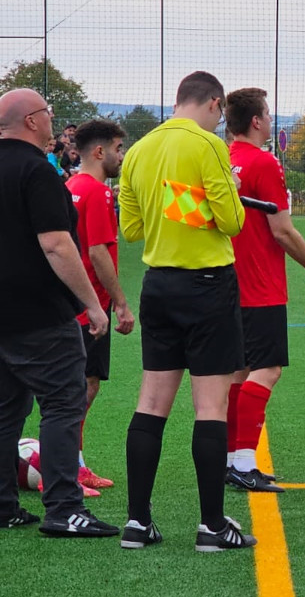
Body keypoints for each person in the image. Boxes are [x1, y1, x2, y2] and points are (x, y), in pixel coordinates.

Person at [117, 71, 256, 551]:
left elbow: (132, 229)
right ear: (214, 104)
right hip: (207, 285)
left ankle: (137, 523)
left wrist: (175, 201)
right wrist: (215, 193)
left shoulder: (136, 151)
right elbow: (232, 220)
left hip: (158, 286)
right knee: (210, 407)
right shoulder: (208, 146)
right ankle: (212, 526)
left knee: (151, 403)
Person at [0, 89, 119, 537]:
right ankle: (64, 508)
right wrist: (92, 304)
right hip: (39, 315)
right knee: (63, 405)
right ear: (32, 121)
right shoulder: (37, 171)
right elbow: (56, 244)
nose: (53, 122)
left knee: (5, 411)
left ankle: (3, 506)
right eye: (48, 114)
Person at [223, 88, 305, 492]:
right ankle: (242, 461)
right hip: (260, 285)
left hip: (225, 282)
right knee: (268, 368)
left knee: (238, 370)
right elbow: (282, 230)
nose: (271, 121)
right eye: (268, 115)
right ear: (256, 121)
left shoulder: (221, 159)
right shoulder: (264, 163)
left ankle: (229, 459)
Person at [67, 120, 136, 491]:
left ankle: (72, 463)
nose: (121, 156)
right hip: (90, 305)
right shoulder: (97, 193)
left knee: (81, 385)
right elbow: (97, 252)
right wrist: (121, 304)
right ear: (99, 152)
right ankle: (67, 468)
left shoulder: (70, 187)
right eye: (119, 148)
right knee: (81, 388)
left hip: (73, 303)